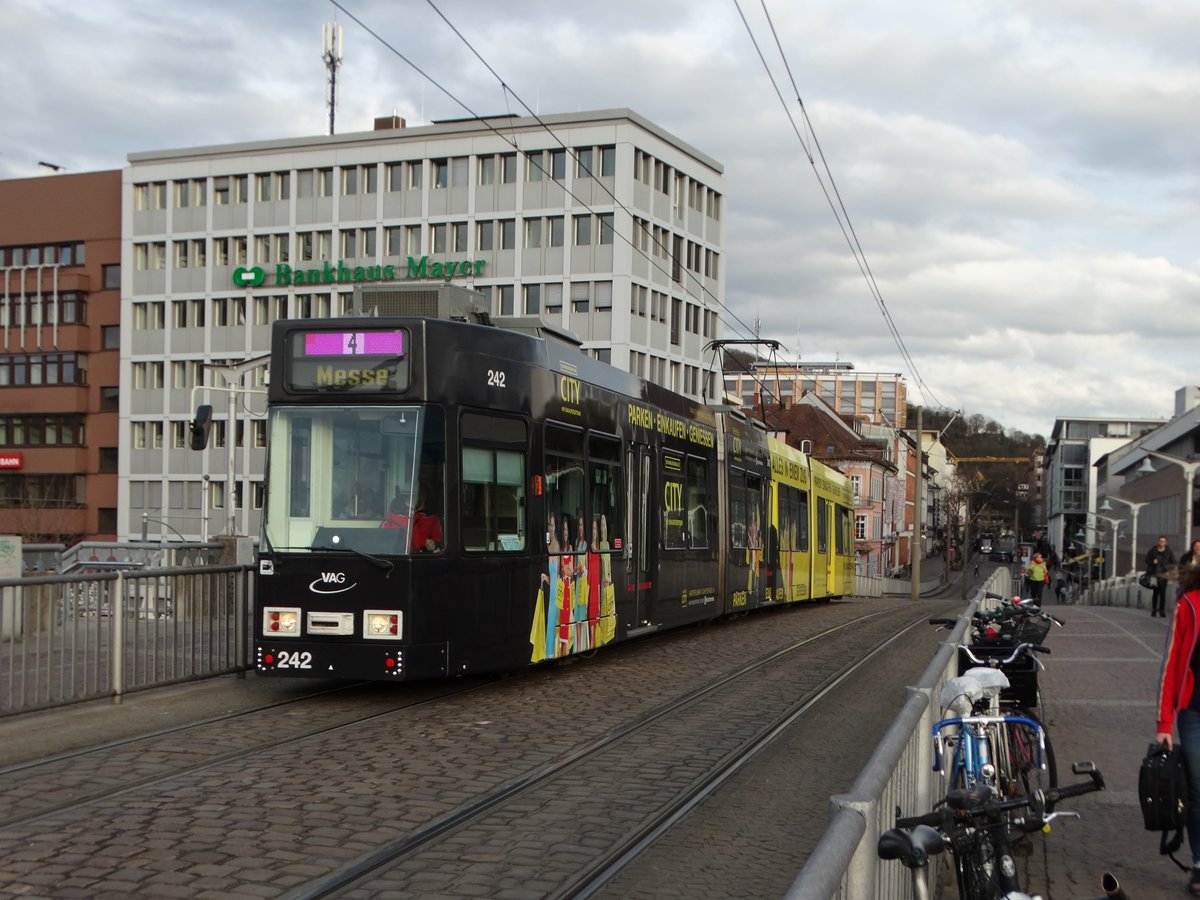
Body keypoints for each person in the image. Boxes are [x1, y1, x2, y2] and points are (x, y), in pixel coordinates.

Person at [1154, 562, 1200, 894]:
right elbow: (1170, 666)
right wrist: (1164, 723)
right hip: (1193, 713)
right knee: (1197, 790)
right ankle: (1199, 865)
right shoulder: (1188, 606)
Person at [1147, 535, 1177, 617]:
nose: (1162, 542)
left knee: (1163, 593)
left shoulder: (1169, 552)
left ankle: (1161, 610)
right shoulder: (1153, 551)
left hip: (1164, 575)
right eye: (1160, 541)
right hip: (1154, 574)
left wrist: (1167, 569)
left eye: (1163, 541)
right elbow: (1147, 560)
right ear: (1158, 542)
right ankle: (1153, 610)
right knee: (1155, 593)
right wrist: (1153, 562)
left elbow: (1174, 563)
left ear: (1166, 542)